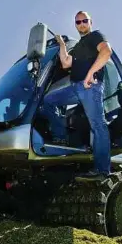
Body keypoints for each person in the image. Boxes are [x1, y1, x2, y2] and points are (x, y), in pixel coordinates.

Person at [41, 11, 113, 181]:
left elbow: (107, 52)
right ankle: (61, 137)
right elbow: (66, 63)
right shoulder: (79, 47)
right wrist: (61, 45)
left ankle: (102, 171)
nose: (81, 24)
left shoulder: (96, 36)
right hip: (75, 88)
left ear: (90, 22)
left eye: (84, 21)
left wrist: (90, 74)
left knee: (98, 125)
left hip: (90, 87)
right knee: (48, 100)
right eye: (78, 22)